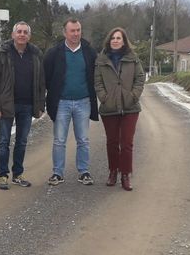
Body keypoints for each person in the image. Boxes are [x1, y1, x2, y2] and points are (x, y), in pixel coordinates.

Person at [0, 21, 45, 190]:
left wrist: (40, 105)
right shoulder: (3, 53)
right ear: (13, 35)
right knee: (4, 141)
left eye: (25, 32)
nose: (21, 34)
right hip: (6, 105)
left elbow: (41, 82)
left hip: (27, 105)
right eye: (19, 31)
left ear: (29, 36)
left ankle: (18, 174)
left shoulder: (35, 54)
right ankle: (3, 176)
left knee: (22, 141)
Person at [44, 18, 99, 186]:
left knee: (83, 139)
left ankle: (84, 172)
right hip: (62, 103)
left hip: (83, 102)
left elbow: (96, 76)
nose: (76, 34)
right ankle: (57, 173)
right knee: (59, 140)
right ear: (65, 33)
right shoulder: (54, 53)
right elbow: (46, 77)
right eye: (72, 31)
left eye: (78, 30)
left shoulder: (90, 52)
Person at [93, 27, 145, 190]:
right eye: (113, 38)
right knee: (112, 142)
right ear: (109, 40)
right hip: (110, 108)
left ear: (124, 41)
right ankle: (113, 172)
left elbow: (140, 78)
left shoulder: (133, 58)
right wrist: (104, 98)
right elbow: (98, 82)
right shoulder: (101, 60)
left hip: (130, 107)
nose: (115, 40)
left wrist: (133, 96)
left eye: (119, 38)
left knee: (127, 143)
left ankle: (125, 174)